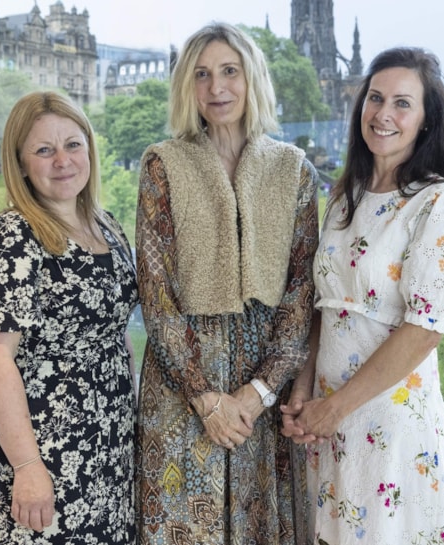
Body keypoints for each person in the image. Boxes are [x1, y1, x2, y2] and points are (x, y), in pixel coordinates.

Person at [281, 47, 444, 544]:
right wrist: (305, 391)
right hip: (326, 422)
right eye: (375, 98)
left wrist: (335, 407)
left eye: (401, 103)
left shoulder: (442, 202)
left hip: (389, 423)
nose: (383, 114)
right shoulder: (342, 197)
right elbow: (322, 306)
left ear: (426, 120)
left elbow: (425, 329)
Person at [134, 22, 319, 545]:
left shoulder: (293, 169)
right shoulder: (163, 164)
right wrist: (204, 398)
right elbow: (156, 291)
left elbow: (301, 293)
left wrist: (257, 393)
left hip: (261, 388)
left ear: (251, 77)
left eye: (229, 71)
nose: (217, 88)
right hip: (181, 387)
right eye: (202, 74)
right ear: (186, 87)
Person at [0, 90, 139, 544]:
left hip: (108, 450)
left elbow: (116, 332)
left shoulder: (108, 226)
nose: (63, 160)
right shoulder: (7, 239)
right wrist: (27, 466)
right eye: (44, 150)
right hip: (43, 453)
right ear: (20, 163)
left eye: (73, 144)